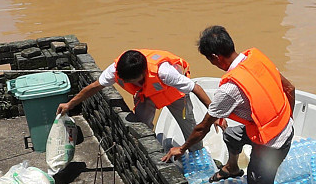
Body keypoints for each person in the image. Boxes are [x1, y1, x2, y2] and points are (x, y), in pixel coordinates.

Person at [162, 26, 297, 184]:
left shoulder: (229, 89)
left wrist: (181, 148)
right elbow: (290, 89)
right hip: (283, 128)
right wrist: (287, 120)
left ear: (215, 57)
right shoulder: (256, 58)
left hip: (271, 145)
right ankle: (232, 168)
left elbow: (202, 128)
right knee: (233, 134)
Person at [58, 48, 210, 145]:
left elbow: (196, 88)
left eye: (131, 81)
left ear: (143, 73)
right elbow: (94, 87)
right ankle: (153, 149)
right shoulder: (115, 70)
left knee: (188, 125)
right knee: (141, 126)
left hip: (173, 92)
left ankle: (196, 153)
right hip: (146, 93)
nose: (126, 83)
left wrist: (216, 115)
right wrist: (70, 104)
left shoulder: (165, 72)